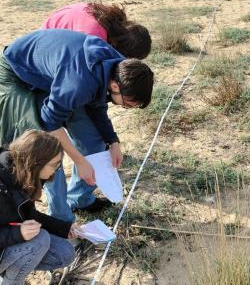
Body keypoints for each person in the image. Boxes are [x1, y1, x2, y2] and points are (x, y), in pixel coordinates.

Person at [0, 28, 154, 222]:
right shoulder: (79, 84)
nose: (128, 107)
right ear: (115, 86)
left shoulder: (119, 67)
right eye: (128, 104)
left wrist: (113, 141)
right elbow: (50, 123)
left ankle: (79, 199)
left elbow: (97, 107)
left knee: (94, 141)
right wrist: (80, 161)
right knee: (48, 151)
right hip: (16, 71)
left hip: (56, 79)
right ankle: (61, 219)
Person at [0, 130, 78, 285]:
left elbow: (29, 215)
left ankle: (10, 271)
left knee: (64, 253)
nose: (56, 170)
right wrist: (18, 233)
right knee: (40, 240)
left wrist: (64, 228)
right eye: (55, 165)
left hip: (6, 242)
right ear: (36, 162)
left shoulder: (23, 173)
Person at [41, 2, 152, 59]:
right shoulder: (94, 36)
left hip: (48, 39)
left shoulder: (108, 19)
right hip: (41, 52)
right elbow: (79, 71)